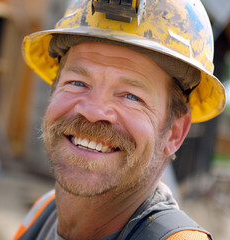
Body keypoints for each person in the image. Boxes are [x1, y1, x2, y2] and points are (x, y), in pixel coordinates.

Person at [14, 0, 225, 239]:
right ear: (53, 92)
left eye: (132, 96)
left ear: (174, 132)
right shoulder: (44, 212)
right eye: (77, 83)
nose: (93, 111)